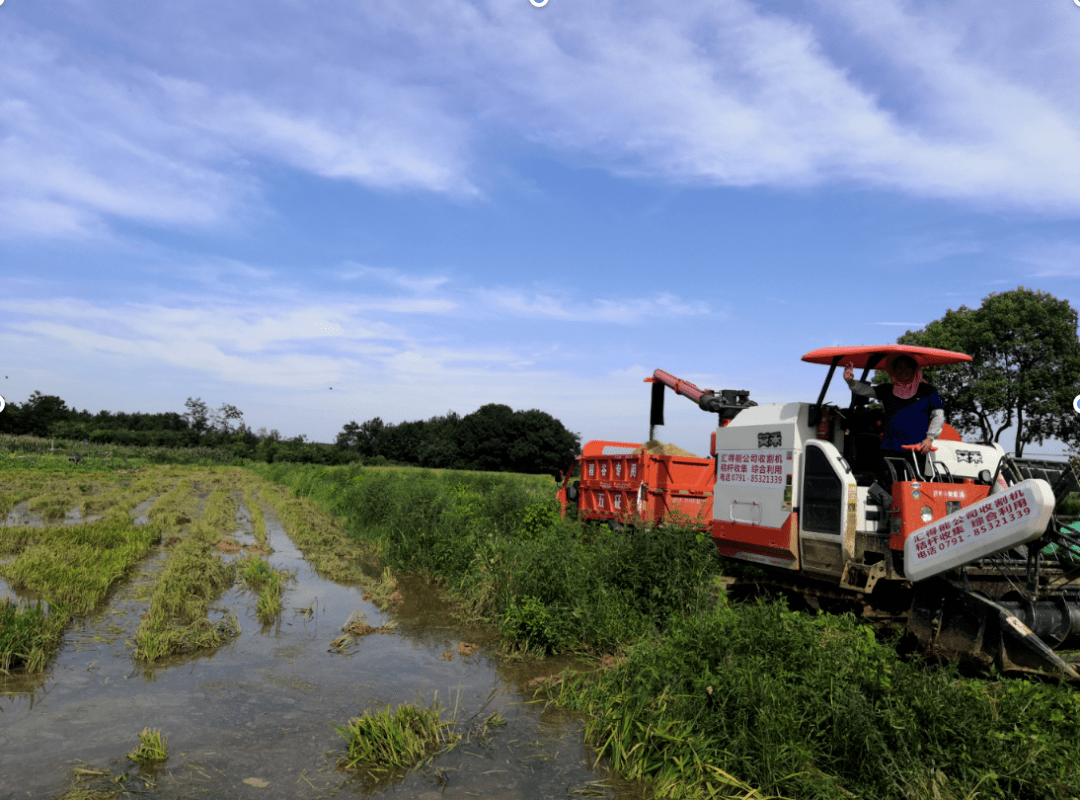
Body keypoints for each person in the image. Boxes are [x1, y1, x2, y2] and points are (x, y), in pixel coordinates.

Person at [843, 354, 944, 482]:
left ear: (915, 370)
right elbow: (864, 390)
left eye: (907, 367)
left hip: (915, 450)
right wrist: (850, 381)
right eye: (899, 368)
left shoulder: (929, 391)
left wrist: (930, 438)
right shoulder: (887, 389)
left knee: (913, 486)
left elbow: (938, 415)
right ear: (894, 371)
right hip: (889, 448)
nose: (903, 371)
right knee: (887, 484)